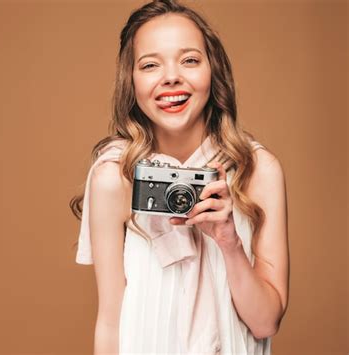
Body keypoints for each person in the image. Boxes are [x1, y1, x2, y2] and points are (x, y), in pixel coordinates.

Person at [70, 0, 289, 354]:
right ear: (132, 81)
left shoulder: (258, 171)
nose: (171, 76)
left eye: (189, 60)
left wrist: (229, 242)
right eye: (150, 64)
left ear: (213, 71)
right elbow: (111, 322)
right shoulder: (116, 177)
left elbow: (266, 322)